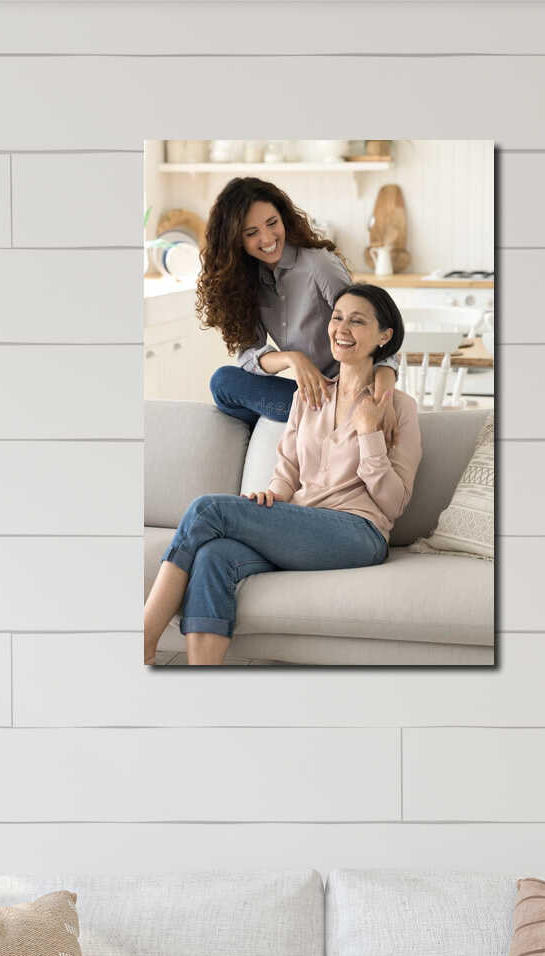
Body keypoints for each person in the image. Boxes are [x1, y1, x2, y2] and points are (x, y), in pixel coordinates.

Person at [145, 285, 421, 666]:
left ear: (384, 336)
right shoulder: (307, 397)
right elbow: (287, 472)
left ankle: (145, 636)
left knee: (207, 510)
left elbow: (394, 504)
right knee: (214, 555)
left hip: (359, 533)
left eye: (357, 321)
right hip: (302, 525)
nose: (342, 327)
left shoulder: (399, 409)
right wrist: (271, 497)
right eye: (337, 317)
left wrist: (370, 433)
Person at [194, 176, 400, 428]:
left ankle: (328, 420)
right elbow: (249, 354)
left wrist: (384, 391)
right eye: (252, 233)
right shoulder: (245, 283)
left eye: (272, 223)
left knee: (225, 386)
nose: (268, 238)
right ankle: (314, 423)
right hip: (313, 394)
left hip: (348, 392)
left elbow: (370, 325)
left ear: (284, 219)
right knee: (225, 382)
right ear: (236, 239)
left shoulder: (318, 265)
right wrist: (292, 359)